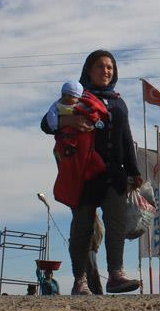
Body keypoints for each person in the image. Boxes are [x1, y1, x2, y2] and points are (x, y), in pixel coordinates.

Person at [41, 50, 144, 295]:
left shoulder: (118, 102)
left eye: (110, 67)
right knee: (83, 227)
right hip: (84, 174)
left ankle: (116, 275)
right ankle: (80, 281)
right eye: (100, 66)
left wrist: (134, 170)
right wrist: (69, 121)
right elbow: (46, 123)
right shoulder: (76, 98)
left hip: (114, 173)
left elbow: (126, 136)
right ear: (89, 70)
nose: (105, 71)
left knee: (115, 223)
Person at [48, 80, 111, 209]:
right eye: (65, 97)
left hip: (89, 149)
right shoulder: (58, 105)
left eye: (71, 97)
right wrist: (61, 122)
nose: (67, 100)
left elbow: (94, 112)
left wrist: (95, 120)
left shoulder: (89, 101)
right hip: (69, 145)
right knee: (72, 174)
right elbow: (46, 122)